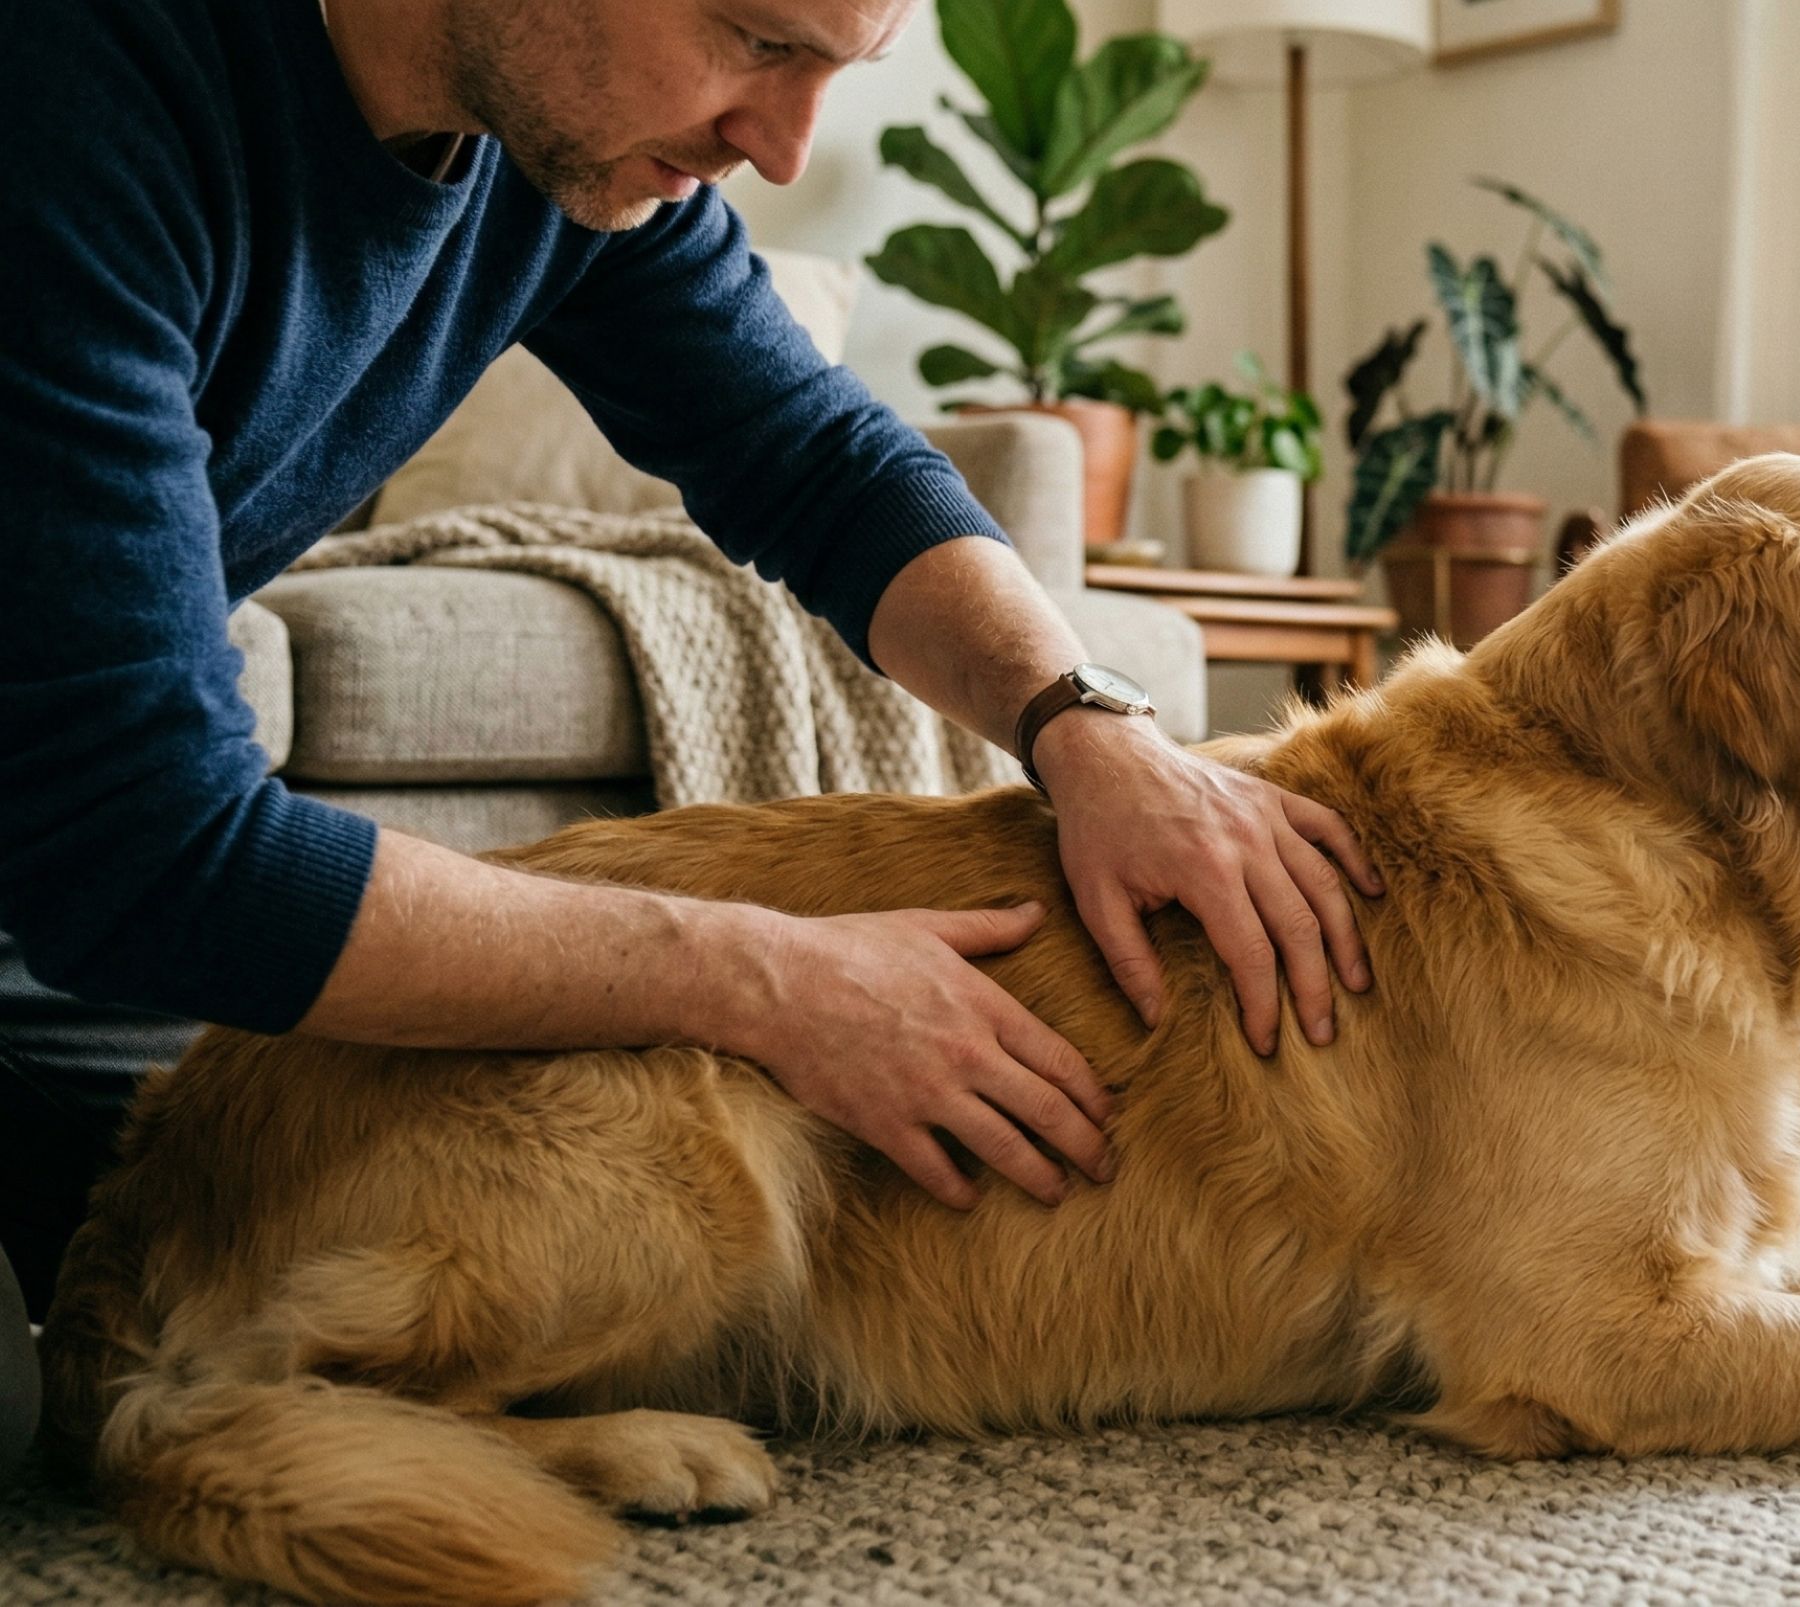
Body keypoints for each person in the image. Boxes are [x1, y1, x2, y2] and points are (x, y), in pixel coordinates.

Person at [0, 0, 1383, 1473]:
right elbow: (149, 850)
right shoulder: (67, 91)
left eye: (837, 73)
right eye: (752, 37)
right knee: (47, 1421)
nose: (783, 150)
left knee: (231, 1258)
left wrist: (1088, 724)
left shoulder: (560, 153)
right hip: (84, 870)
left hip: (48, 898)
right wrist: (764, 975)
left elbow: (813, 457)